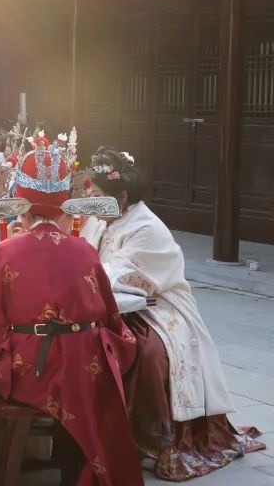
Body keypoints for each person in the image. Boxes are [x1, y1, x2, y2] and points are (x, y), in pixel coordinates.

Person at [0, 143, 143, 486]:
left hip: (28, 370)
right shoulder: (85, 251)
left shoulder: (7, 250)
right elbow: (109, 313)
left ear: (22, 209)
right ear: (65, 209)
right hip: (81, 370)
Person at [86, 147, 264, 480]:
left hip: (158, 305)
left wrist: (83, 273)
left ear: (120, 196)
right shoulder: (99, 221)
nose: (91, 202)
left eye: (97, 196)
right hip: (114, 303)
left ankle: (157, 438)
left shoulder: (146, 227)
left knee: (150, 353)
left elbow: (125, 275)